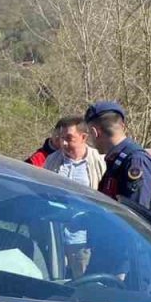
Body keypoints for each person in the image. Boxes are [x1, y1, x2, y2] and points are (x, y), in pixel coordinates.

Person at [42, 116, 102, 276]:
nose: (64, 144)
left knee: (83, 283)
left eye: (69, 138)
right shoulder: (52, 161)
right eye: (61, 138)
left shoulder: (98, 161)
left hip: (82, 240)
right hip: (55, 239)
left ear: (84, 137)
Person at [85, 100, 151, 209]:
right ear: (122, 125)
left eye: (89, 134)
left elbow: (136, 214)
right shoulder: (115, 159)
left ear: (95, 132)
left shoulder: (135, 160)